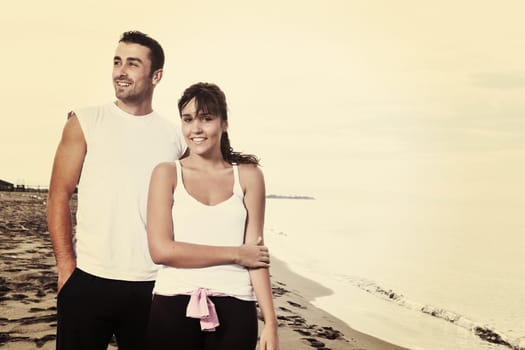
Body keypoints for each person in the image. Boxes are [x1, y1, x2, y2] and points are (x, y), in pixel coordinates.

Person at [47, 31, 270, 350]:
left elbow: (203, 193)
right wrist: (66, 267)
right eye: (117, 61)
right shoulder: (86, 121)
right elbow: (58, 195)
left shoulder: (174, 136)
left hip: (152, 285)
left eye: (133, 64)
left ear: (156, 75)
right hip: (89, 277)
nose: (121, 71)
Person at [146, 82, 279, 350]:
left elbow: (256, 257)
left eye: (206, 118)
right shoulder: (166, 173)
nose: (196, 128)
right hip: (173, 304)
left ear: (224, 123)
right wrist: (235, 253)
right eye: (188, 119)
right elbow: (161, 250)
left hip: (236, 305)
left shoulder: (249, 176)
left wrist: (271, 322)